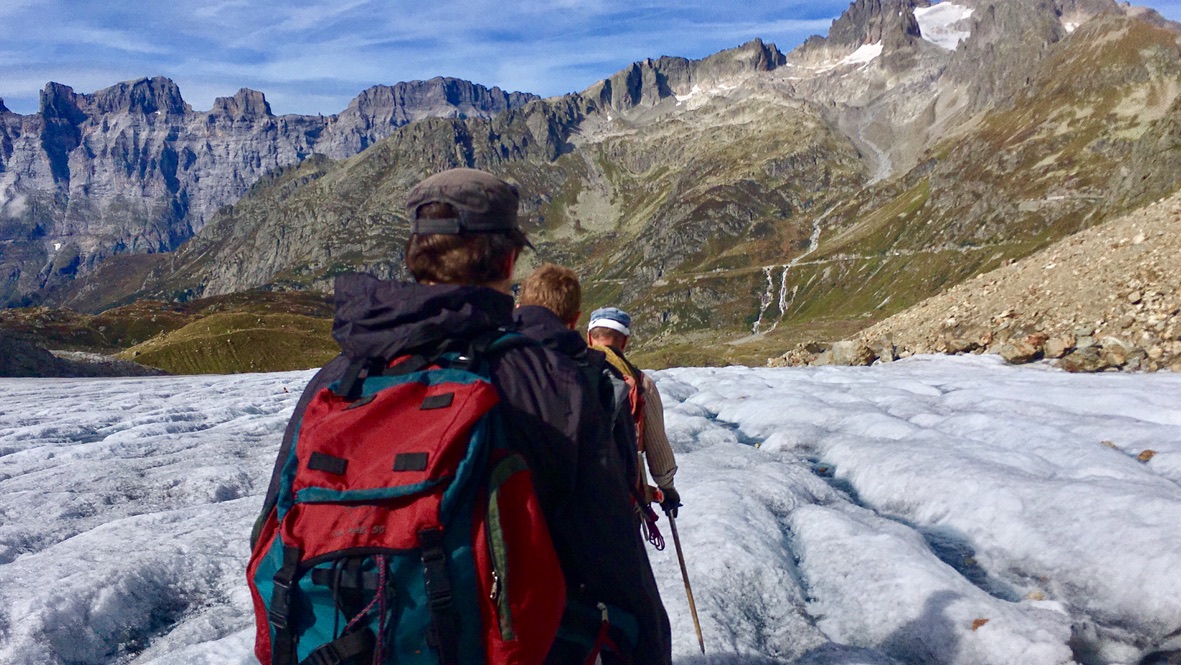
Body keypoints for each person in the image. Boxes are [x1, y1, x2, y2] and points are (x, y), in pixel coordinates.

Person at [253, 168, 671, 665]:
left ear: (414, 254)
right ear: (510, 257)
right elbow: (614, 570)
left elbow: (269, 533)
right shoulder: (546, 381)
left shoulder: (336, 380)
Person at [586, 307, 681, 518]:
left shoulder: (567, 369)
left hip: (572, 492)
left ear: (589, 337)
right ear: (625, 341)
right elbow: (656, 442)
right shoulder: (640, 382)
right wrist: (667, 488)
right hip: (621, 492)